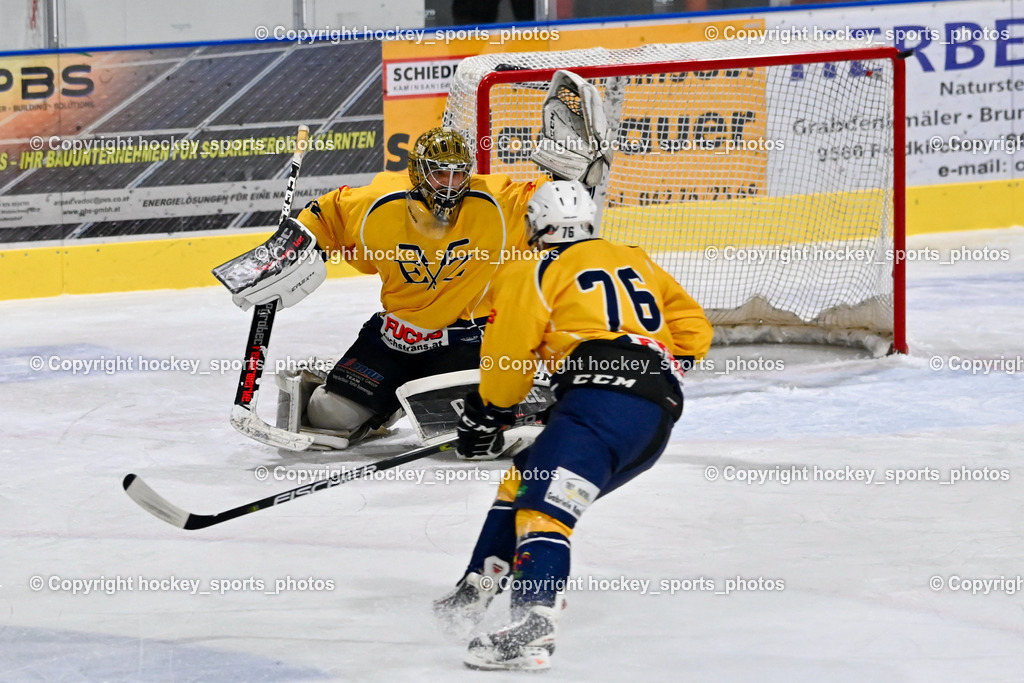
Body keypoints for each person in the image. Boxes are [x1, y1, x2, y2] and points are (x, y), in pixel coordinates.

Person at [432, 180, 713, 671]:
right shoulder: (633, 257)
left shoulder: (533, 268)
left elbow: (507, 360)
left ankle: (535, 626)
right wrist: (626, 376)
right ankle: (475, 591)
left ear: (536, 226)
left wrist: (487, 412)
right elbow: (693, 329)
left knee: (545, 510)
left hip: (602, 407)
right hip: (653, 412)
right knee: (527, 478)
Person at [282, 127, 548, 442]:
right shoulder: (378, 202)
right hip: (398, 338)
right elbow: (326, 215)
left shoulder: (495, 201)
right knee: (327, 416)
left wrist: (570, 172)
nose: (450, 185)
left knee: (475, 417)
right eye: (439, 173)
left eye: (458, 174)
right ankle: (384, 400)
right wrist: (288, 249)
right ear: (417, 172)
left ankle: (403, 395)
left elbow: (550, 203)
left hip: (468, 340)